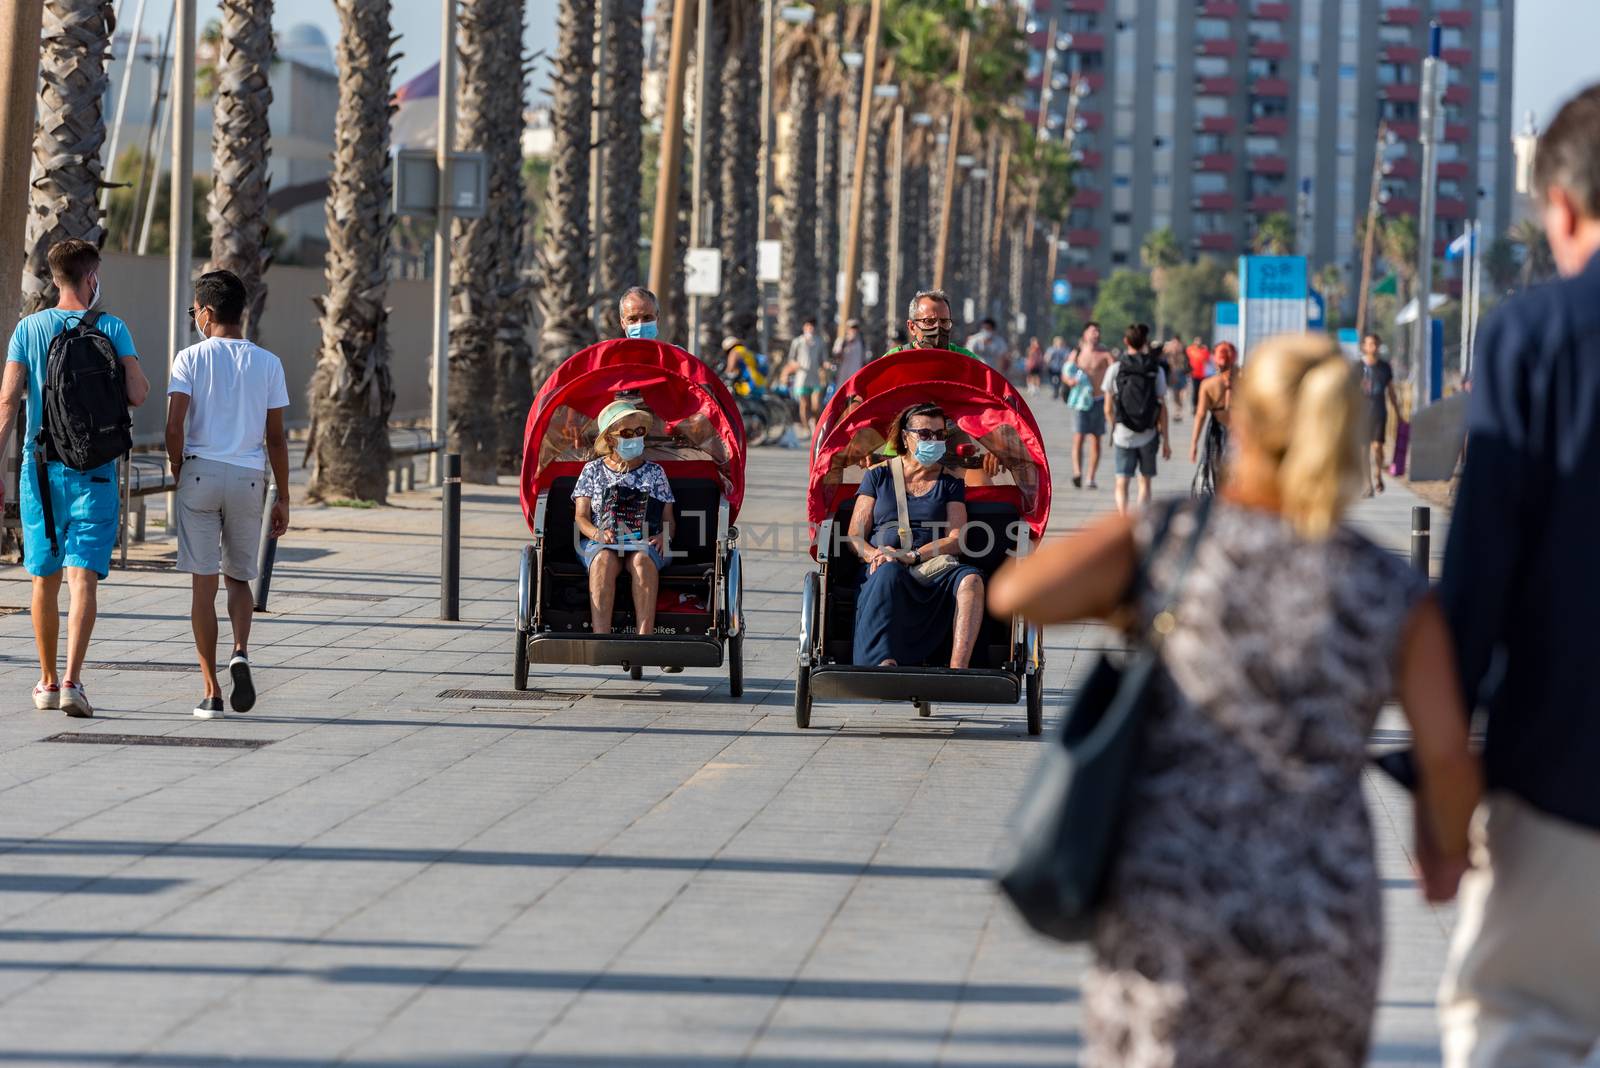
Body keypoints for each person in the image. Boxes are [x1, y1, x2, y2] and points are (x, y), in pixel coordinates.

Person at [989, 334, 1481, 1068]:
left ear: (1242, 422)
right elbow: (1445, 751)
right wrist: (1444, 856)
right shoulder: (1390, 587)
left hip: (1174, 897)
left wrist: (1137, 594)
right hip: (1322, 909)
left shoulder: (1173, 540)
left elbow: (1016, 591)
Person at [1437, 83, 1600, 1068]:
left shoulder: (1533, 340)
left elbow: (1479, 570)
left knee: (1517, 1030)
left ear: (1564, 206)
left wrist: (1438, 777)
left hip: (1564, 773)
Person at [0, 238, 149, 717]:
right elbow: (139, 393)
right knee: (82, 576)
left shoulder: (28, 328)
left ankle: (44, 682)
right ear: (92, 277)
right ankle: (72, 682)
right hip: (96, 469)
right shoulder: (112, 326)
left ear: (52, 276)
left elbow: (6, 404)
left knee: (43, 577)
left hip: (39, 469)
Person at [164, 270, 291, 720]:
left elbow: (174, 426)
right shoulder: (268, 363)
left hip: (200, 473)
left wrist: (179, 465)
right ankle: (240, 650)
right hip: (248, 477)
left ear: (207, 311)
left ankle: (212, 690)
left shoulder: (189, 359)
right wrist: (284, 497)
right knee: (239, 579)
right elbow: (276, 438)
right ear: (244, 311)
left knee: (203, 585)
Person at [848, 402, 985, 670]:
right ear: (905, 437)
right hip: (883, 565)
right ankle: (882, 663)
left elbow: (957, 538)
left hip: (930, 566)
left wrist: (912, 555)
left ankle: (958, 672)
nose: (933, 440)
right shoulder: (877, 476)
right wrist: (874, 554)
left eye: (939, 434)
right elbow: (854, 535)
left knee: (972, 580)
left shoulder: (950, 483)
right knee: (888, 571)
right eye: (924, 434)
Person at [572, 401, 675, 639]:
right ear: (610, 439)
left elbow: (669, 519)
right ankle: (602, 638)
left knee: (641, 560)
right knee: (603, 560)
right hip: (603, 539)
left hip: (646, 541)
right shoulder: (592, 471)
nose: (635, 438)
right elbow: (581, 516)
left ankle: (644, 638)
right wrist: (597, 534)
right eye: (627, 433)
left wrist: (664, 536)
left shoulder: (655, 472)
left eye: (640, 432)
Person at [1102, 323, 1170, 515]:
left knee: (1122, 481)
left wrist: (1113, 428)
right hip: (1148, 433)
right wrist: (1166, 440)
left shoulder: (1116, 368)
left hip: (1123, 433)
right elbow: (1162, 406)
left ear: (1126, 341)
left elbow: (1108, 407)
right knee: (1145, 482)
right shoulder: (1156, 369)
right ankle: (1140, 522)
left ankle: (1124, 520)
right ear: (1145, 342)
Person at [1061, 321, 1113, 490]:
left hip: (1098, 400)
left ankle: (1091, 477)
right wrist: (1070, 381)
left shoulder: (1105, 354)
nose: (1095, 334)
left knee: (1096, 440)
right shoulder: (1076, 353)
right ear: (1085, 334)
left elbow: (1116, 371)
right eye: (1092, 331)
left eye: (1097, 331)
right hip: (1080, 402)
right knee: (1079, 438)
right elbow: (1065, 373)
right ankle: (1077, 472)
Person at [1188, 340, 1237, 497]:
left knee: (1217, 475)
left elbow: (1201, 415)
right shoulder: (1246, 381)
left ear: (1215, 358)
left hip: (1217, 434)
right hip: (1240, 434)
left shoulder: (1208, 384)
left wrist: (1194, 443)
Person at [887, 290, 985, 361]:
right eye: (929, 321)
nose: (938, 327)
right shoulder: (895, 359)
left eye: (944, 321)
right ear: (912, 327)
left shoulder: (966, 361)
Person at [1358, 332, 1399, 496]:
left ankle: (1378, 475)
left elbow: (1391, 391)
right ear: (1364, 346)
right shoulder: (1357, 367)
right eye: (1369, 344)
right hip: (1361, 413)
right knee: (1363, 449)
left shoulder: (1385, 367)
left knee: (1377, 447)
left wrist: (1398, 412)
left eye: (1375, 344)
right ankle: (1367, 484)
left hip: (1379, 411)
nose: (1372, 347)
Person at [780, 317, 827, 433]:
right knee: (804, 405)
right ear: (804, 327)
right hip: (802, 378)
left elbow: (824, 360)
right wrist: (796, 365)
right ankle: (807, 429)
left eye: (812, 326)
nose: (810, 329)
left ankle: (816, 427)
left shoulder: (820, 342)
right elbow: (791, 359)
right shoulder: (797, 342)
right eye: (808, 326)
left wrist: (827, 365)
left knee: (816, 405)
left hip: (815, 378)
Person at [1161, 336, 1188, 423]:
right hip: (1173, 373)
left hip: (1181, 372)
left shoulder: (1182, 348)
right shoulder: (1169, 349)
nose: (1175, 344)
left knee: (1182, 392)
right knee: (1175, 393)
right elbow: (1163, 353)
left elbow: (1187, 360)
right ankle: (1177, 410)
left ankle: (1179, 411)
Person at [832, 319, 867, 384]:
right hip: (842, 375)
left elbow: (864, 360)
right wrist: (843, 346)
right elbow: (836, 356)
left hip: (855, 375)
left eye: (855, 328)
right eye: (851, 328)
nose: (853, 330)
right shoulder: (841, 341)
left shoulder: (861, 343)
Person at [1186, 335, 1212, 415]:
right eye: (1197, 341)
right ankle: (1194, 406)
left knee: (1201, 392)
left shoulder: (1204, 351)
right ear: (1194, 342)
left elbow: (1208, 361)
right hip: (1193, 374)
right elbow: (1185, 359)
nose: (1198, 342)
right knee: (1195, 391)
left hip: (1202, 375)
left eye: (1199, 341)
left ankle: (1200, 406)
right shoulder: (1190, 349)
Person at [1045, 335, 1070, 400]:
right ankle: (1055, 391)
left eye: (1060, 342)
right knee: (1052, 380)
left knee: (1059, 381)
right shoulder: (1051, 349)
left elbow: (1067, 357)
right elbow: (1047, 357)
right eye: (1058, 342)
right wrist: (1047, 361)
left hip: (1061, 368)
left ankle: (1057, 392)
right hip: (1052, 368)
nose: (1059, 343)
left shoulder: (1065, 349)